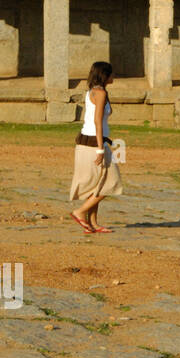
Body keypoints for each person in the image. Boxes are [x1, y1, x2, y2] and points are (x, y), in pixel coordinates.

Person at [70, 61, 123, 234]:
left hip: (92, 141)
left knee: (97, 184)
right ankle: (80, 212)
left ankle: (92, 223)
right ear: (105, 75)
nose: (114, 77)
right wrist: (101, 149)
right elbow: (97, 121)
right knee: (111, 182)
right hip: (94, 143)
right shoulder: (99, 92)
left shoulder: (93, 91)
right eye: (112, 74)